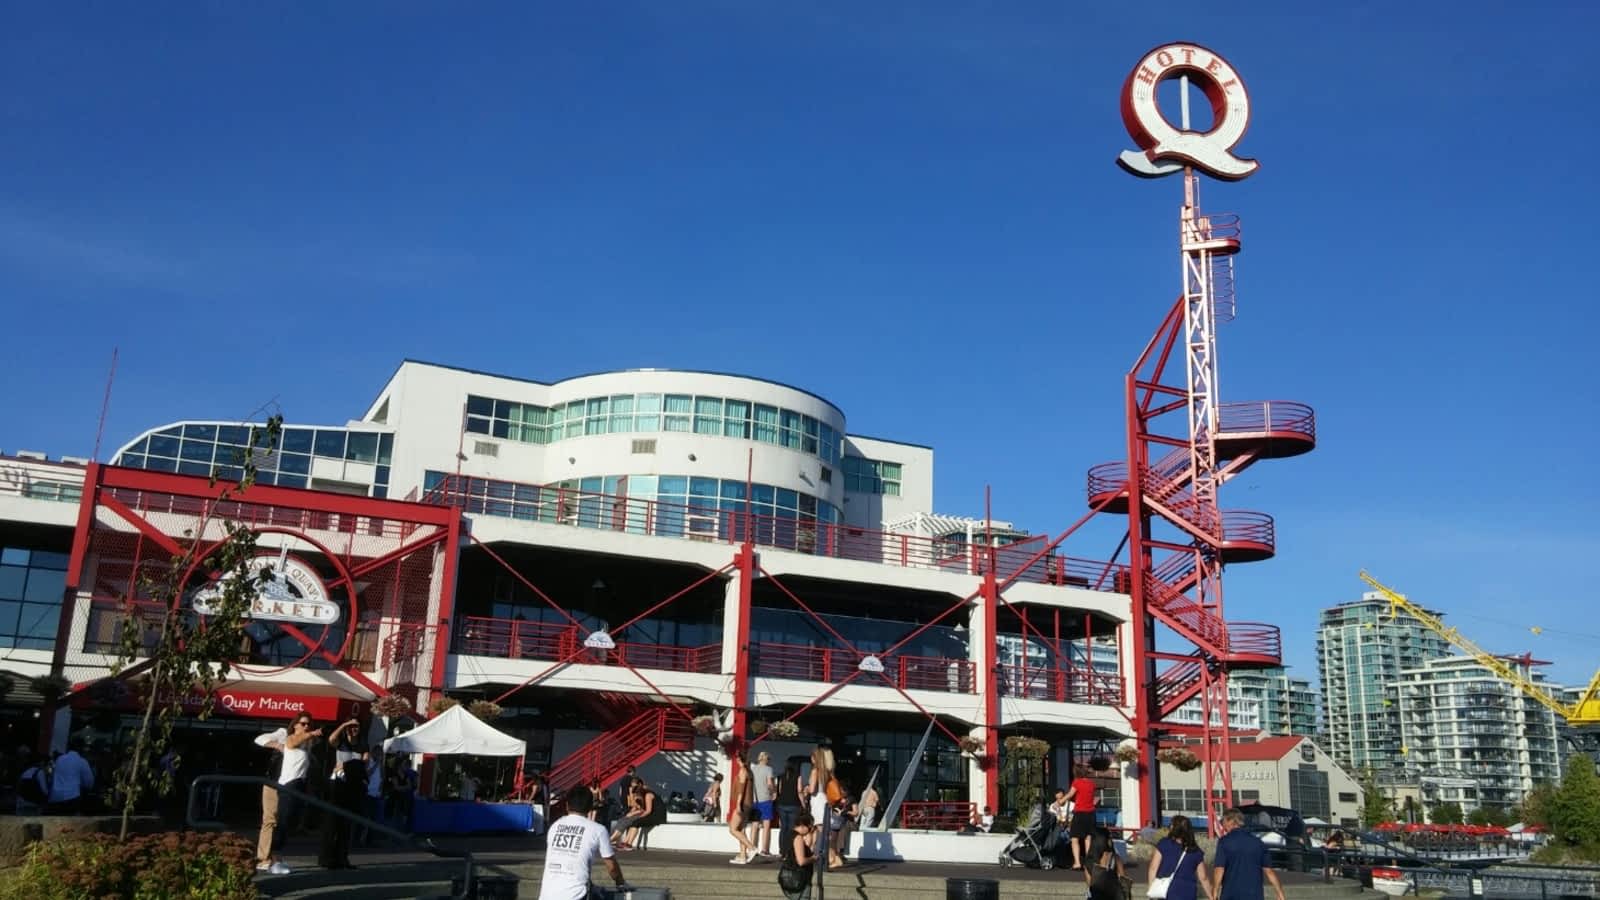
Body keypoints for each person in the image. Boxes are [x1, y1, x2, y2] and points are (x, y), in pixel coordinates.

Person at [256, 711, 323, 875]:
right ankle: (264, 859)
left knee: (286, 821)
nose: (306, 727)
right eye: (303, 723)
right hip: (274, 782)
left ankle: (275, 857)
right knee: (271, 820)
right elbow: (259, 739)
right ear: (295, 724)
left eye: (309, 724)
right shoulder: (284, 734)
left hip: (291, 784)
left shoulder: (308, 743)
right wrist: (277, 745)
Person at [538, 786, 631, 900]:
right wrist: (620, 883)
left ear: (567, 805)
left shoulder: (555, 826)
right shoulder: (598, 829)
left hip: (547, 895)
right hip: (575, 896)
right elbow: (611, 866)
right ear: (590, 807)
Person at [1213, 807, 1286, 900]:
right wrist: (1280, 893)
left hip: (1231, 894)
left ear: (1230, 821)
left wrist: (1215, 891)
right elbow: (1269, 871)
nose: (1222, 824)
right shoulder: (1258, 843)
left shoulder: (1224, 842)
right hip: (1254, 894)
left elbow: (1219, 869)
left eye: (1223, 821)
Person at [1149, 815, 1213, 900]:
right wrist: (1211, 896)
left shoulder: (1164, 844)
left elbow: (1153, 868)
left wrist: (1151, 889)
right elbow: (1203, 877)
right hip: (1188, 893)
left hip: (1166, 892)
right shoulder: (1196, 851)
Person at [726, 753, 760, 864]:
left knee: (733, 829)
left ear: (739, 759)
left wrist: (738, 804)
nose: (735, 760)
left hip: (743, 804)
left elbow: (741, 789)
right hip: (749, 803)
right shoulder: (750, 771)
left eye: (736, 758)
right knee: (741, 829)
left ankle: (751, 848)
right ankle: (743, 856)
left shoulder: (743, 771)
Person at [46, 739, 95, 814]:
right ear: (81, 749)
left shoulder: (59, 759)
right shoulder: (82, 761)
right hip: (72, 799)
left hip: (55, 797)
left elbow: (52, 777)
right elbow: (89, 782)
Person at [1064, 764, 1098, 871]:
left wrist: (1061, 801)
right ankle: (1088, 862)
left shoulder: (1077, 782)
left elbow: (1070, 794)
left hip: (1080, 813)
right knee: (1088, 838)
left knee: (1074, 838)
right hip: (1091, 813)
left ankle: (1077, 862)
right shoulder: (1091, 784)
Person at [779, 810, 818, 900]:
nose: (811, 829)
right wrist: (813, 858)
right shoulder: (798, 837)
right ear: (804, 825)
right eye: (810, 826)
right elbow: (801, 861)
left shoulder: (788, 835)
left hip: (788, 873)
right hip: (799, 877)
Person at [1085, 823, 1128, 900]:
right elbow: (1123, 880)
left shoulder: (1089, 861)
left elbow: (1090, 884)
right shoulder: (1115, 857)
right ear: (1107, 840)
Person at [750, 750, 777, 857]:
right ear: (766, 759)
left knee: (755, 824)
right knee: (766, 825)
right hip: (765, 798)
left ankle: (752, 847)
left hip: (754, 799)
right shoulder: (768, 769)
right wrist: (774, 792)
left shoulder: (753, 769)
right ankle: (765, 849)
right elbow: (770, 784)